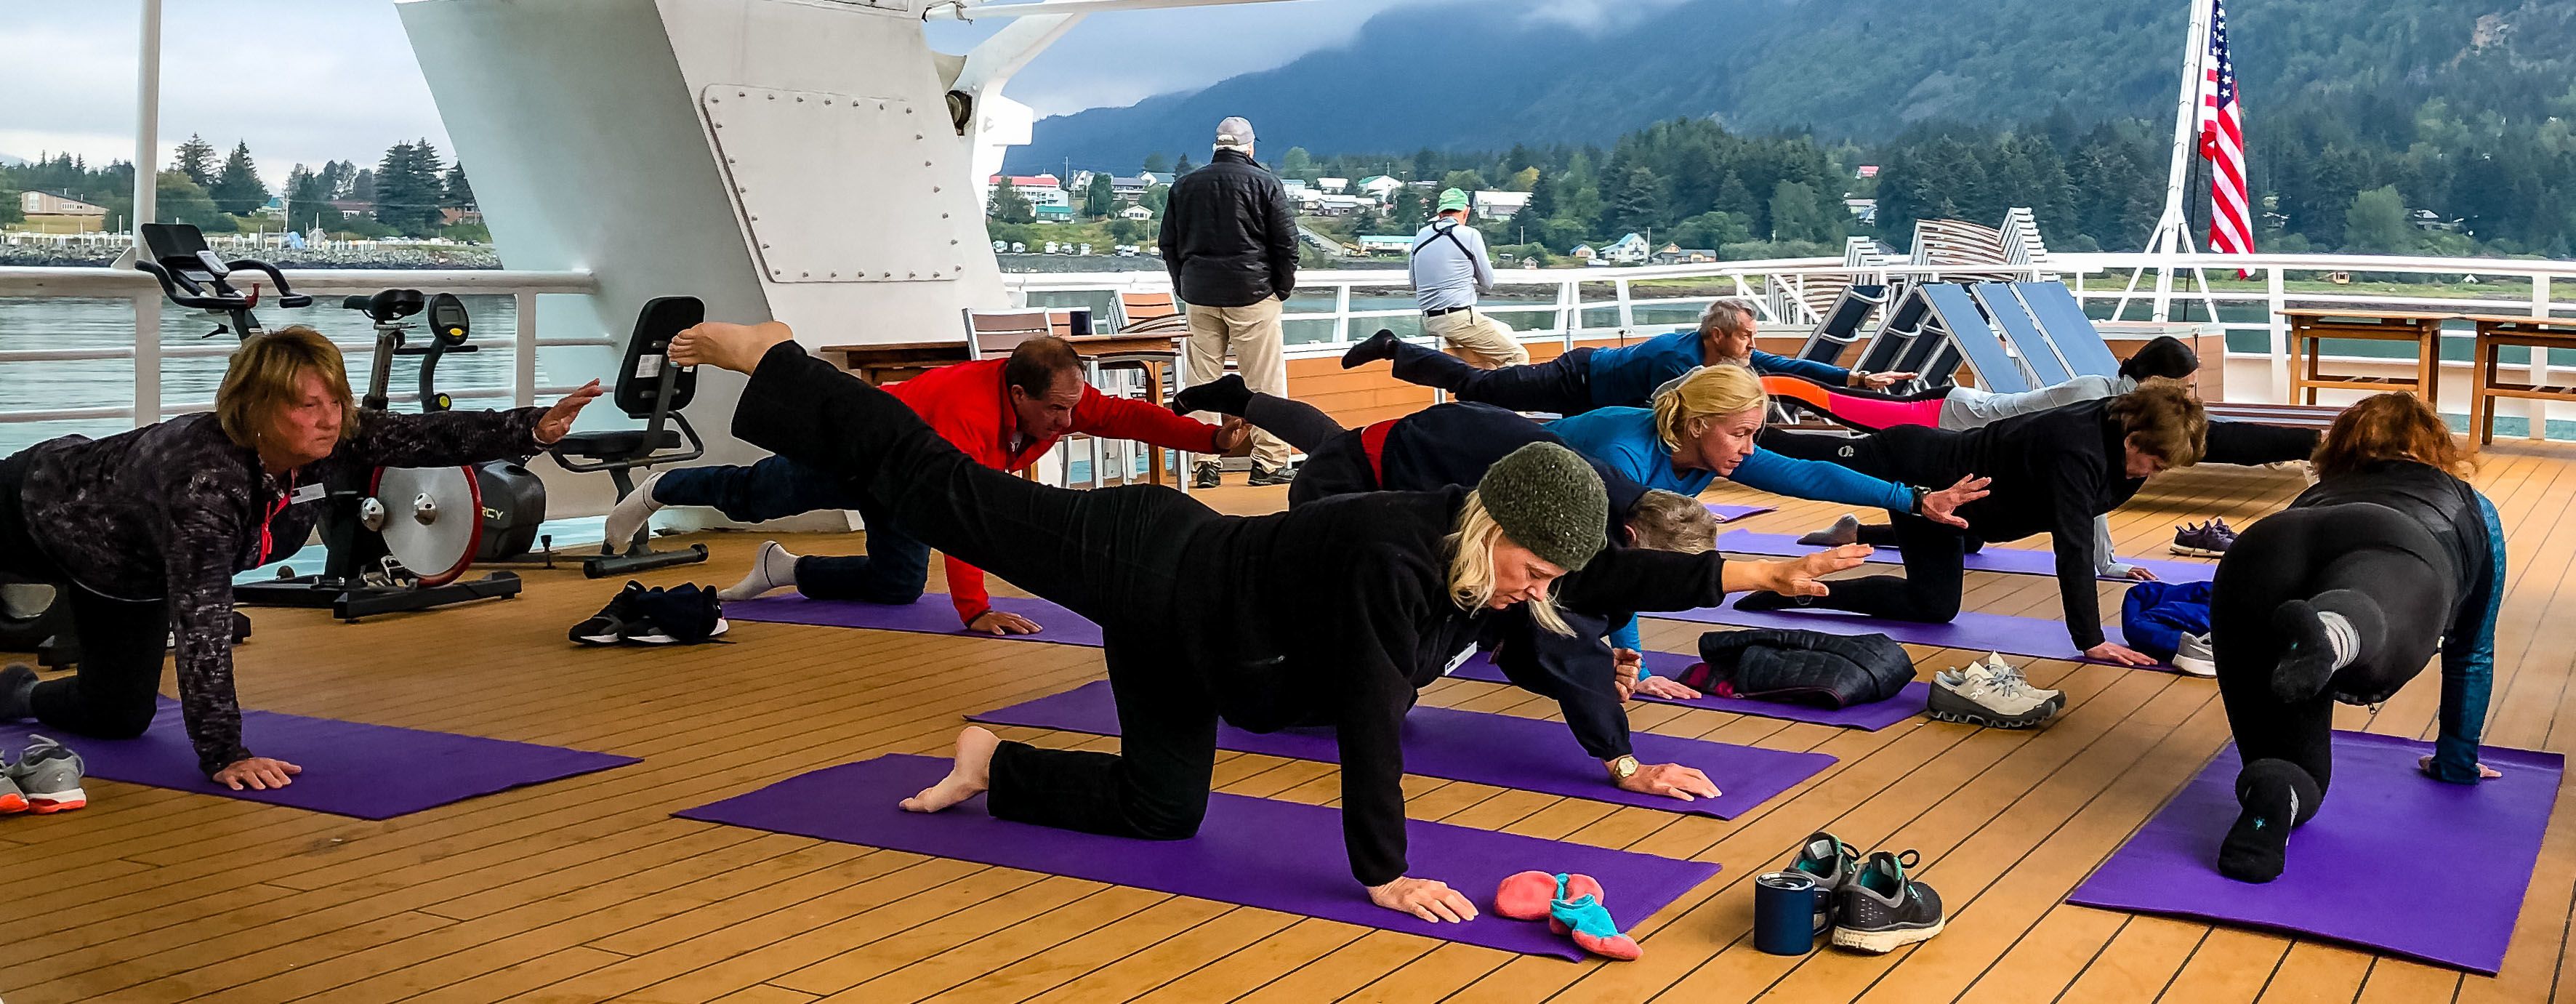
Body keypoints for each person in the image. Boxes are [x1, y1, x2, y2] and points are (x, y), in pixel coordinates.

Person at [666, 318, 1867, 922]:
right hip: (1145, 559)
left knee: (1161, 809)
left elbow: (1599, 585)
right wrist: (1385, 874)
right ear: (1495, 531)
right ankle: (776, 361)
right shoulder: (1397, 565)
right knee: (943, 493)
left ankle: (995, 764)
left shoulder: (1507, 555)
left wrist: (1745, 583)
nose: (1532, 591)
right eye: (1529, 571)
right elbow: (1368, 721)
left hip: (1194, 643)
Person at [0, 326, 600, 790]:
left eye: (335, 400)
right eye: (308, 405)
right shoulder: (206, 482)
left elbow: (427, 435)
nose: (330, 418)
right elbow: (203, 622)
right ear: (257, 409)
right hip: (32, 507)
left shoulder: (328, 443)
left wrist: (532, 429)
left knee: (117, 715)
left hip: (123, 568)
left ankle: (17, 694)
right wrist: (225, 753)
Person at [606, 336, 1247, 635]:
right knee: (752, 496)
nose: (1068, 421)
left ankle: (786, 569)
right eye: (1056, 411)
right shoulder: (967, 417)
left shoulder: (1064, 401)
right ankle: (661, 487)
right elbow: (962, 516)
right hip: (854, 457)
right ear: (1017, 393)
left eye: (1073, 408)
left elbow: (1132, 418)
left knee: (898, 586)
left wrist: (1211, 440)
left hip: (905, 485)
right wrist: (976, 609)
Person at [2208, 392, 2504, 883]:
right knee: (2370, 598)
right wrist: (2457, 758)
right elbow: (2472, 650)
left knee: (2291, 763)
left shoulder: (2319, 493)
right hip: (2393, 544)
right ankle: (2332, 632)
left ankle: (2274, 795)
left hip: (2261, 549)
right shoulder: (2470, 506)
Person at [1743, 379, 2210, 666]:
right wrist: (2090, 639)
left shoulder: (2127, 430)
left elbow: (2234, 440)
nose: (2152, 474)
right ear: (2134, 438)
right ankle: (1791, 588)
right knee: (1797, 451)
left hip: (1967, 515)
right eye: (2154, 464)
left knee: (1959, 561)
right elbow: (2073, 548)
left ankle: (1810, 575)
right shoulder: (2078, 453)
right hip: (1920, 470)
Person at [1768, 336, 2319, 577]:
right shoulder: (2096, 401)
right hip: (1944, 418)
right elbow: (2082, 497)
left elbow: (2091, 492)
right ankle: (1755, 413)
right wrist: (2106, 563)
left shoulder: (2129, 413)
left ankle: (1855, 530)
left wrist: (2308, 444)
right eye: (2187, 387)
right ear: (2156, 381)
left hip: (1973, 462)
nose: (2192, 397)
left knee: (1967, 535)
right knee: (1830, 406)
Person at [1340, 300, 1915, 417]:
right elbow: (1667, 419)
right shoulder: (1677, 364)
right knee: (1480, 387)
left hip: (1595, 392)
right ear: (1718, 336)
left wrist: (1859, 376)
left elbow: (1789, 368)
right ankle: (1395, 348)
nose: (1751, 345)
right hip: (1576, 378)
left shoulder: (1717, 352)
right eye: (1745, 337)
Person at [1162, 116, 1300, 487]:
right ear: (1249, 147)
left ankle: (1205, 462)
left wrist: (1183, 285)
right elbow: (1287, 244)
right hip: (1253, 293)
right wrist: (1281, 289)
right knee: (1264, 380)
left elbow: (1168, 244)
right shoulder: (1265, 183)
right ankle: (1269, 463)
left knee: (1201, 379)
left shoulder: (1185, 185)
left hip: (1200, 294)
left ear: (1216, 146)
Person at [1408, 188, 1525, 369]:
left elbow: (1414, 283)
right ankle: (1503, 389)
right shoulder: (1470, 235)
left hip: (1430, 320)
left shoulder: (1420, 236)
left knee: (1505, 331)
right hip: (1459, 319)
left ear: (1440, 212)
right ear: (1466, 211)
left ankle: (1486, 387)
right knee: (1517, 356)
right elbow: (1488, 282)